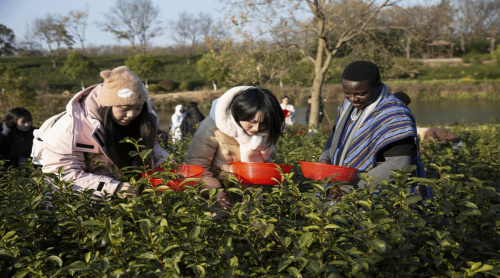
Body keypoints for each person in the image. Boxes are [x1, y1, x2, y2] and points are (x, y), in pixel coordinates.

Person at [41, 66, 169, 198]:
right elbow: (61, 175)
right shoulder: (70, 128)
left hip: (124, 198)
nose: (131, 114)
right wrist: (113, 188)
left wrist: (170, 170)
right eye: (124, 107)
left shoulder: (140, 121)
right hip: (78, 204)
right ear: (106, 105)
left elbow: (154, 153)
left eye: (138, 108)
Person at [319, 61, 429, 200]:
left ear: (377, 86)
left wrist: (348, 187)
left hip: (384, 197)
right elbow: (336, 135)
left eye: (360, 94)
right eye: (347, 93)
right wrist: (325, 159)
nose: (353, 99)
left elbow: (398, 165)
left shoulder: (395, 116)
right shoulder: (347, 106)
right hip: (342, 187)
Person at [185, 86, 285, 209]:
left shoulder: (267, 132)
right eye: (251, 121)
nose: (256, 128)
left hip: (252, 199)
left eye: (263, 123)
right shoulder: (212, 128)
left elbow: (266, 163)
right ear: (239, 113)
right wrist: (217, 194)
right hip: (218, 201)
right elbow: (196, 167)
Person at [393, 91, 462, 149]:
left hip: (455, 143)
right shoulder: (392, 114)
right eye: (404, 105)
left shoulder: (427, 133)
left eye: (406, 105)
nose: (405, 108)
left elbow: (430, 145)